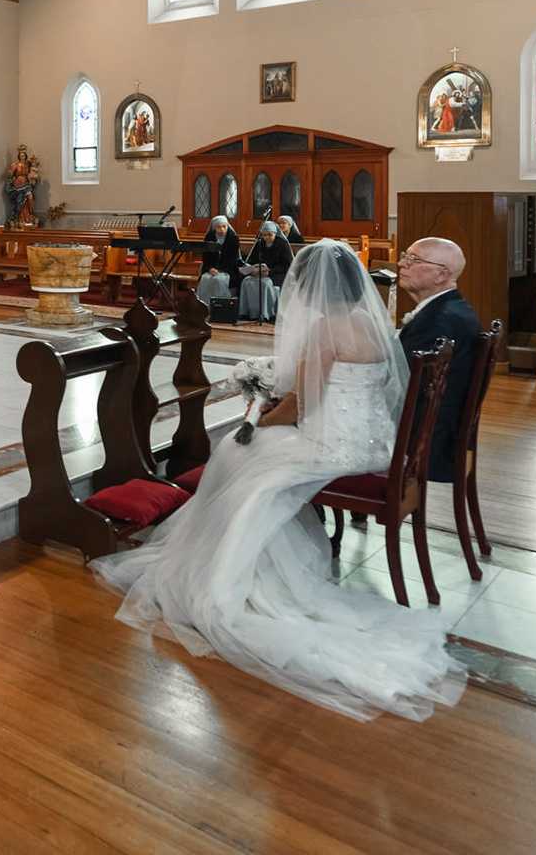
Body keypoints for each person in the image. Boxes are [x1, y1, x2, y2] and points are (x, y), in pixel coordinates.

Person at [93, 241, 466, 721]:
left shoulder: (324, 328)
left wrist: (259, 418)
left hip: (333, 446)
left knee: (237, 454)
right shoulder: (373, 322)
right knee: (251, 457)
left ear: (310, 288)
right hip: (376, 443)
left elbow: (303, 404)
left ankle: (228, 573)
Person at [396, 237, 482, 482]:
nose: (401, 264)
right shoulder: (451, 309)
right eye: (405, 256)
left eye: (413, 259)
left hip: (426, 440)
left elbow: (398, 379)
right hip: (439, 429)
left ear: (442, 274)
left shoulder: (438, 321)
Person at [239, 221, 293, 321]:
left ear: (275, 234)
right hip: (258, 273)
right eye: (264, 235)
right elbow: (252, 260)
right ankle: (247, 312)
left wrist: (270, 271)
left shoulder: (282, 245)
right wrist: (252, 269)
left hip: (275, 274)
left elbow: (286, 265)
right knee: (246, 282)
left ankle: (265, 313)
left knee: (264, 284)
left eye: (269, 235)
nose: (267, 237)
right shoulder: (259, 244)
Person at [203, 216, 241, 289]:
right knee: (205, 278)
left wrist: (220, 269)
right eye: (219, 227)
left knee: (219, 279)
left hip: (228, 269)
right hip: (211, 268)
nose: (222, 229)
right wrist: (210, 268)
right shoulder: (209, 237)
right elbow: (206, 256)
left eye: (224, 226)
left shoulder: (233, 238)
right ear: (214, 228)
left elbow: (233, 258)